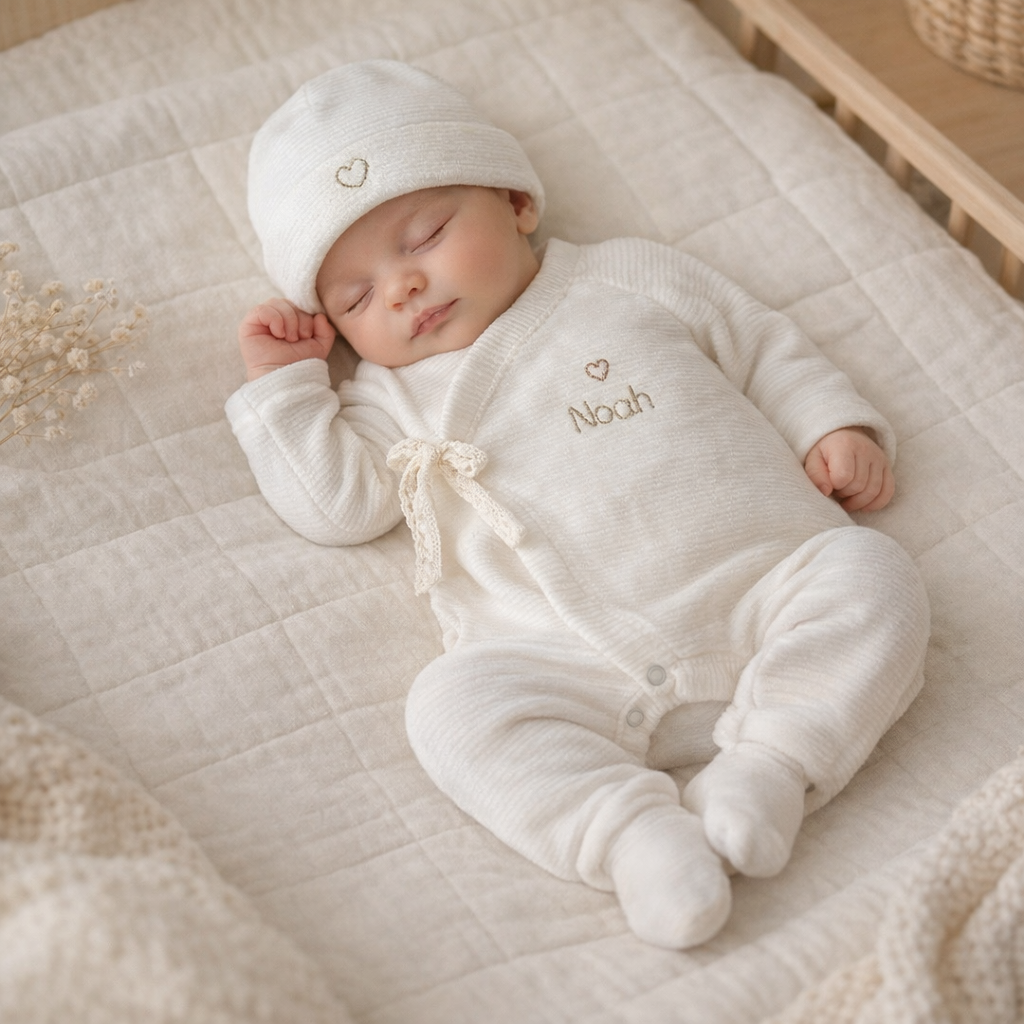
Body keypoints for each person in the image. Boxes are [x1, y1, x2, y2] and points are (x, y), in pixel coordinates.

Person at [227, 61, 930, 949]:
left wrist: (829, 423)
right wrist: (286, 389)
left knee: (873, 575)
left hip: (759, 587)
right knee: (451, 707)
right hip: (562, 660)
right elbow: (335, 507)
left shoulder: (629, 278)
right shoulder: (383, 399)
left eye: (426, 234)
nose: (401, 287)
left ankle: (774, 766)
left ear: (517, 202)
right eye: (356, 296)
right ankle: (630, 836)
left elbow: (761, 347)